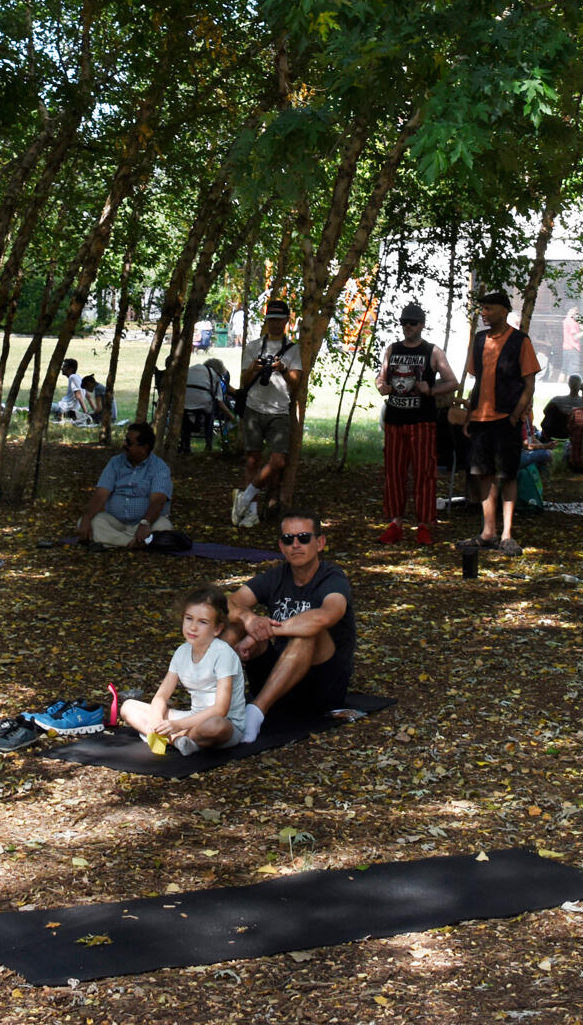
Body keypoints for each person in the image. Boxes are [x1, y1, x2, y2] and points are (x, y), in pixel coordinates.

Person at [223, 511, 355, 740]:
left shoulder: (333, 577)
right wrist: (250, 621)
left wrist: (264, 631)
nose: (296, 545)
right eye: (288, 539)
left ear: (320, 543)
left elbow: (325, 617)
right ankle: (208, 700)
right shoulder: (276, 576)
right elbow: (225, 603)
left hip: (321, 688)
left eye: (304, 538)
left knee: (309, 633)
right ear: (281, 546)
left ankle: (255, 713)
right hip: (278, 676)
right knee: (233, 624)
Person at [118, 586, 248, 755]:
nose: (193, 627)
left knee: (216, 726)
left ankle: (174, 737)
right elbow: (161, 696)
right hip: (192, 718)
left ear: (217, 629)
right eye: (189, 619)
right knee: (128, 707)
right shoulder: (181, 652)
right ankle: (177, 740)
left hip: (224, 723)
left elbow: (220, 709)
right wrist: (157, 720)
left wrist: (177, 726)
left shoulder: (223, 654)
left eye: (202, 622)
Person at [460, 289, 539, 555]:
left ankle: (507, 535)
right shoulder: (479, 340)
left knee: (508, 476)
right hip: (481, 419)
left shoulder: (520, 340)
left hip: (507, 419)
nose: (484, 313)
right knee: (484, 475)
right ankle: (487, 532)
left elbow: (529, 383)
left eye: (489, 308)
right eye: (482, 308)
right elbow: (476, 380)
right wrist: (470, 415)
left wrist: (516, 415)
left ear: (504, 310)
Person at [375, 302, 457, 545]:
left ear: (422, 324)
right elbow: (381, 377)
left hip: (422, 423)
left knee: (423, 474)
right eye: (404, 323)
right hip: (395, 421)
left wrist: (430, 389)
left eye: (412, 323)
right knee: (394, 473)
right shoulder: (392, 349)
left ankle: (423, 525)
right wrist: (382, 386)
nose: (407, 327)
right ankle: (395, 523)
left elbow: (453, 382)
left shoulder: (433, 352)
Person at [231, 299, 304, 528]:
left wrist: (282, 368)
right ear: (266, 321)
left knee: (278, 460)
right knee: (252, 459)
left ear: (286, 321)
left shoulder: (293, 349)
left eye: (279, 320)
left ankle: (244, 498)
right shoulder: (253, 346)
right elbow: (243, 380)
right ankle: (251, 512)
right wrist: (254, 367)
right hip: (254, 407)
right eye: (271, 319)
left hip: (279, 411)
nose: (275, 324)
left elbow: (296, 382)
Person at [76, 422, 176, 549]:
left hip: (147, 522)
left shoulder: (160, 468)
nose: (124, 445)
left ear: (144, 447)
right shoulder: (115, 463)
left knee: (163, 527)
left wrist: (145, 523)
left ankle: (114, 541)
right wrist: (86, 519)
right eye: (125, 440)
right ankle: (134, 543)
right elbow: (101, 493)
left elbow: (158, 501)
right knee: (87, 522)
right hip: (115, 522)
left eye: (129, 443)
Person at [181, 355, 235, 453]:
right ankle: (208, 444)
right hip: (203, 405)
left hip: (184, 403)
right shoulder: (214, 375)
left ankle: (186, 445)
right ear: (218, 370)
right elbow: (219, 401)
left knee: (187, 416)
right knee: (210, 411)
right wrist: (232, 416)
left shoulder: (191, 369)